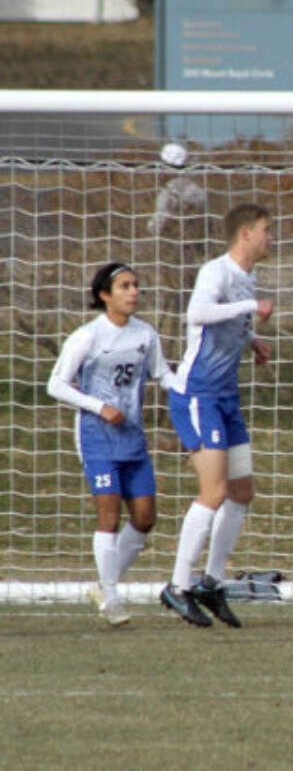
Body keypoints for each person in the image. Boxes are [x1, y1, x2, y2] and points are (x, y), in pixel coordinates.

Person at [160, 203, 275, 628]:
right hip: (198, 395)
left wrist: (253, 341)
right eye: (266, 230)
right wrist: (250, 310)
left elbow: (230, 325)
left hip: (226, 397)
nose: (271, 237)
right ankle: (177, 587)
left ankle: (211, 582)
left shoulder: (247, 277)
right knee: (214, 492)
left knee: (242, 492)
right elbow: (198, 313)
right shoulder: (217, 271)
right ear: (245, 234)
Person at [47, 263, 175, 626]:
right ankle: (112, 594)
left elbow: (161, 373)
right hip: (96, 437)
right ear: (105, 295)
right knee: (109, 516)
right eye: (124, 286)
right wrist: (98, 407)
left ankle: (105, 584)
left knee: (145, 518)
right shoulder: (88, 336)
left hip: (132, 438)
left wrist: (188, 388)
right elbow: (55, 384)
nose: (133, 292)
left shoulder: (145, 334)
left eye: (135, 285)